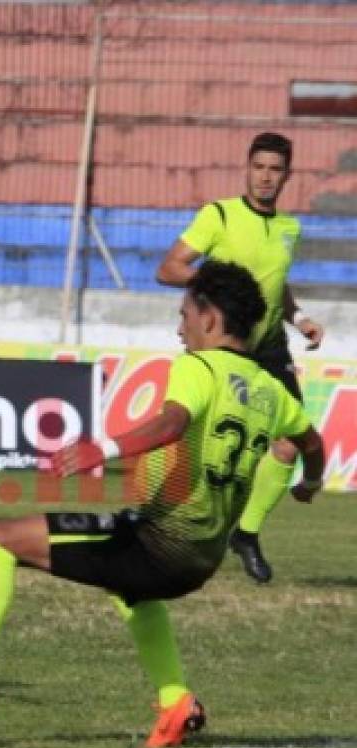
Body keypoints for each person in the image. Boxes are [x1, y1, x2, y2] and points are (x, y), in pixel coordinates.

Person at [0, 261, 324, 748]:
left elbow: (173, 423)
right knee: (130, 590)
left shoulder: (198, 367)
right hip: (201, 557)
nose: (179, 327)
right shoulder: (271, 389)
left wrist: (104, 448)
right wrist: (310, 481)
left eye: (184, 315)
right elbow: (311, 442)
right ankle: (176, 700)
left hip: (162, 545)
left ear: (210, 318)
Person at [156, 132, 325, 584]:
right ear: (247, 169)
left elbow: (275, 284)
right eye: (259, 167)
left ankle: (245, 535)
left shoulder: (290, 228)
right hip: (223, 345)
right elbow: (169, 267)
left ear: (287, 175)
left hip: (269, 346)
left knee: (289, 441)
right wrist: (215, 290)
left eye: (275, 169)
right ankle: (166, 521)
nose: (266, 177)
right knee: (199, 436)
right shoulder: (219, 215)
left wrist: (301, 318)